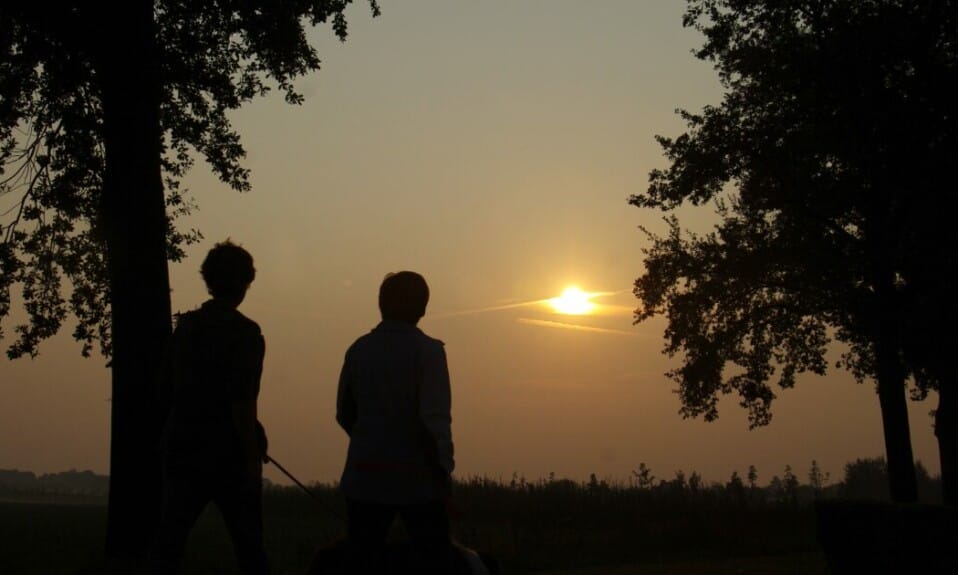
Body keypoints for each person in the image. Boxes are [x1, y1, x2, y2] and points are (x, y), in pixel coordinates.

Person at [148, 240, 270, 574]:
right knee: (250, 547)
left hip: (182, 445)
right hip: (227, 453)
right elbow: (242, 401)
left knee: (169, 542)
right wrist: (250, 456)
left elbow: (164, 389)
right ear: (246, 282)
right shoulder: (246, 333)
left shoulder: (187, 327)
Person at [336, 271, 455, 574]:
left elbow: (344, 413)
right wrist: (442, 473)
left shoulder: (358, 350)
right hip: (419, 481)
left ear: (382, 304)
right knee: (435, 560)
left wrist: (371, 439)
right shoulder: (429, 352)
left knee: (362, 561)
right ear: (423, 307)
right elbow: (434, 422)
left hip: (364, 477)